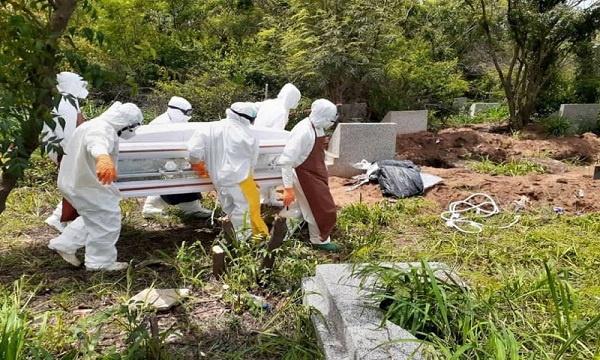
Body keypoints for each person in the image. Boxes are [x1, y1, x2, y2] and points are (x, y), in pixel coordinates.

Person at [47, 102, 143, 271]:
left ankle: (64, 244)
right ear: (126, 123)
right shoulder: (103, 128)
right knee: (107, 219)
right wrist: (103, 157)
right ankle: (100, 262)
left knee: (93, 215)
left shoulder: (91, 124)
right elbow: (97, 142)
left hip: (74, 181)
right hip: (86, 184)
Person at [187, 102, 269, 241]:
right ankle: (244, 242)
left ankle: (232, 236)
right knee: (247, 210)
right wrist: (251, 178)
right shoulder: (249, 134)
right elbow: (252, 161)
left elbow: (194, 151)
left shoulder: (208, 128)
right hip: (241, 179)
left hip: (218, 180)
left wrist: (196, 164)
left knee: (231, 209)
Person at [278, 99, 340, 252]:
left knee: (299, 207)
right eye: (330, 120)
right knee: (320, 207)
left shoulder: (316, 127)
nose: (331, 123)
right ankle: (319, 240)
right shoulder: (303, 132)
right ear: (323, 116)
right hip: (302, 174)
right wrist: (288, 188)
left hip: (314, 173)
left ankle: (279, 236)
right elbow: (285, 161)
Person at [142, 96, 212, 218]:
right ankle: (150, 208)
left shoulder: (178, 121)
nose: (189, 116)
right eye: (187, 112)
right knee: (172, 179)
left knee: (185, 178)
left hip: (176, 158)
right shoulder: (159, 124)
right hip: (160, 161)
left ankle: (191, 208)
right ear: (176, 110)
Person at [43, 72, 89, 233]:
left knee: (76, 183)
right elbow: (68, 134)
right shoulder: (65, 104)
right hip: (65, 148)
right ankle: (58, 218)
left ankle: (60, 217)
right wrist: (76, 152)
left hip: (66, 148)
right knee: (77, 184)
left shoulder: (70, 101)